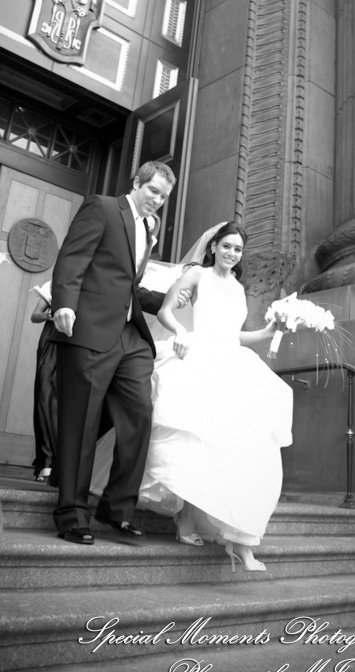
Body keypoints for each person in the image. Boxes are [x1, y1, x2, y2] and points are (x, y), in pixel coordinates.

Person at [138, 221, 294, 572]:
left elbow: (234, 336)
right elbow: (165, 310)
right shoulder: (196, 276)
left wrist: (269, 331)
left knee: (238, 446)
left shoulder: (238, 288)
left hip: (232, 362)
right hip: (199, 354)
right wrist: (179, 329)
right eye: (227, 246)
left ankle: (240, 538)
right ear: (213, 247)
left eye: (238, 249)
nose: (231, 253)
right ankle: (187, 521)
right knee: (198, 439)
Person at [51, 160, 177, 545]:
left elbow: (128, 284)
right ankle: (72, 514)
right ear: (136, 182)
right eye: (153, 190)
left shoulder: (149, 229)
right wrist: (64, 303)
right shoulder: (103, 207)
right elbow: (73, 257)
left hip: (130, 336)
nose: (157, 200)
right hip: (89, 326)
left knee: (139, 412)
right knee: (82, 419)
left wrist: (175, 299)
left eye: (164, 196)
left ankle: (116, 509)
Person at [30, 282, 58, 483]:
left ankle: (60, 463)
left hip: (78, 344)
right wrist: (50, 315)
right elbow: (35, 316)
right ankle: (46, 462)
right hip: (51, 342)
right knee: (45, 398)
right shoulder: (55, 283)